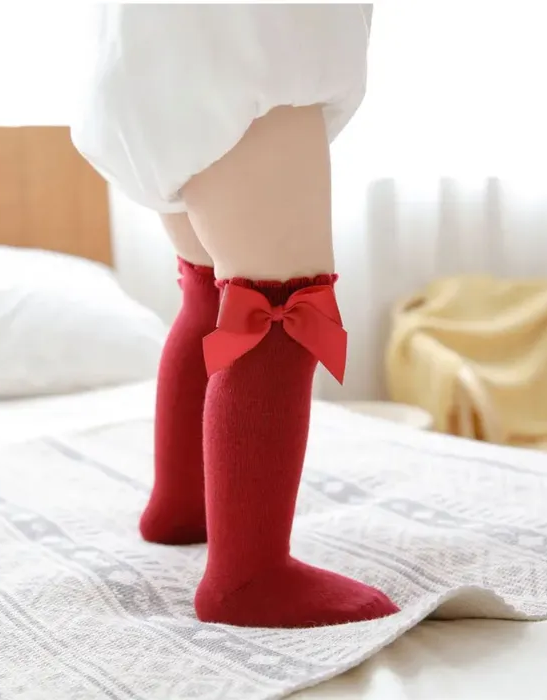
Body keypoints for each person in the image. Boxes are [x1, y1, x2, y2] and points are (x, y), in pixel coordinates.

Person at [72, 4, 398, 628]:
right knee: (279, 311)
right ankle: (249, 577)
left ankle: (183, 506)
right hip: (247, 49)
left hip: (152, 53)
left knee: (213, 296)